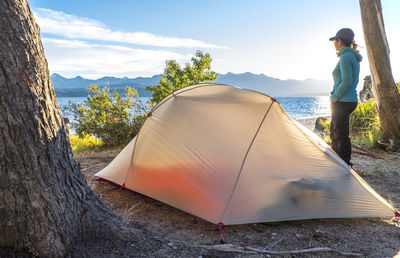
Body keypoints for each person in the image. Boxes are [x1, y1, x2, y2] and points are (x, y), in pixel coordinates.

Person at [329, 28, 362, 167]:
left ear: (339, 41)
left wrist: (335, 97)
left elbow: (347, 81)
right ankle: (338, 160)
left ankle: (344, 164)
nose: (333, 43)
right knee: (336, 131)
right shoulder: (351, 56)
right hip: (348, 99)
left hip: (342, 101)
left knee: (340, 134)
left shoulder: (346, 57)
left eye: (334, 41)